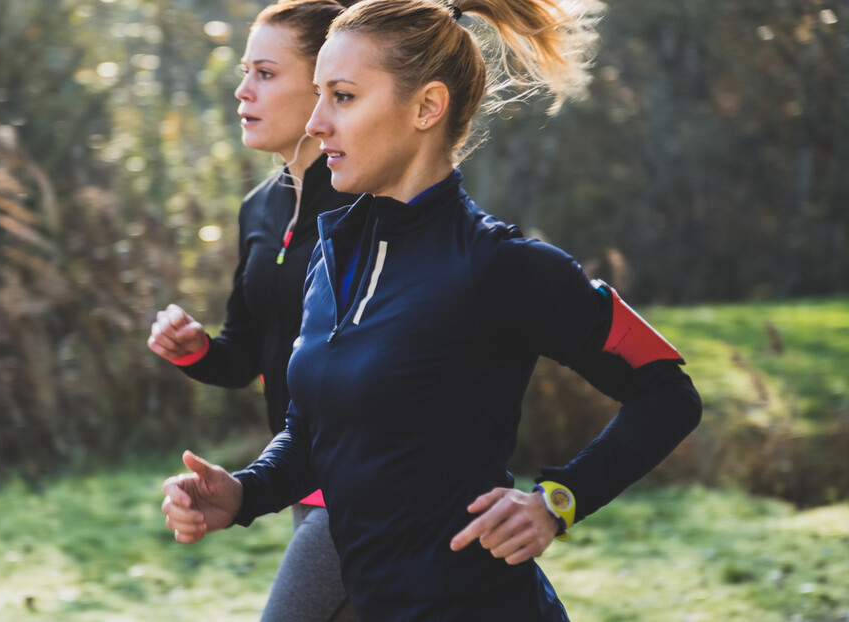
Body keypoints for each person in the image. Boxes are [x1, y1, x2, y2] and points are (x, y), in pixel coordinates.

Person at [161, 0, 702, 619]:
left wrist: (560, 499)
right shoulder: (332, 258)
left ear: (427, 107)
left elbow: (668, 391)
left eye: (341, 96)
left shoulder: (499, 266)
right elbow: (318, 434)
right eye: (316, 96)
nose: (315, 123)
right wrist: (242, 493)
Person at [147, 1, 359, 620]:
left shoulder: (366, 209)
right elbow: (247, 355)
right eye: (245, 72)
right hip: (296, 475)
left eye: (265, 74)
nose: (242, 90)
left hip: (360, 484)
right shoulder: (260, 208)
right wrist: (196, 350)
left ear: (326, 87)